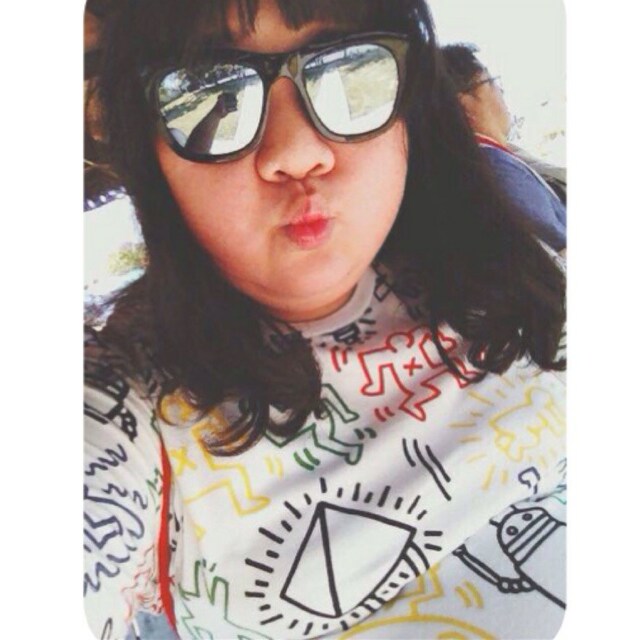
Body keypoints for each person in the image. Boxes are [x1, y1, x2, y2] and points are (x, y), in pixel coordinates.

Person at [84, 1, 567, 639]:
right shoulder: (129, 394)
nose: (296, 151)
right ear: (149, 154)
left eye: (348, 65)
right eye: (205, 86)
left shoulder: (526, 270)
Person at [440, 43, 567, 251]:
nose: (501, 92)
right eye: (491, 82)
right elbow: (559, 246)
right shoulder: (497, 170)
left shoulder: (483, 163)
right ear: (464, 104)